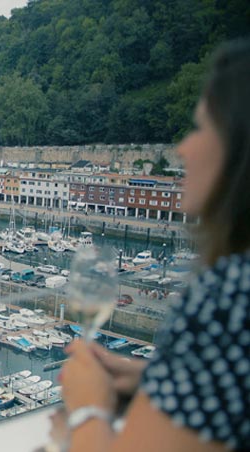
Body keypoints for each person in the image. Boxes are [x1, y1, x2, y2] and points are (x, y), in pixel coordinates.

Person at [60, 39, 250, 452]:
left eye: (200, 128)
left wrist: (87, 409)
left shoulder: (229, 296)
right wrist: (153, 380)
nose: (183, 149)